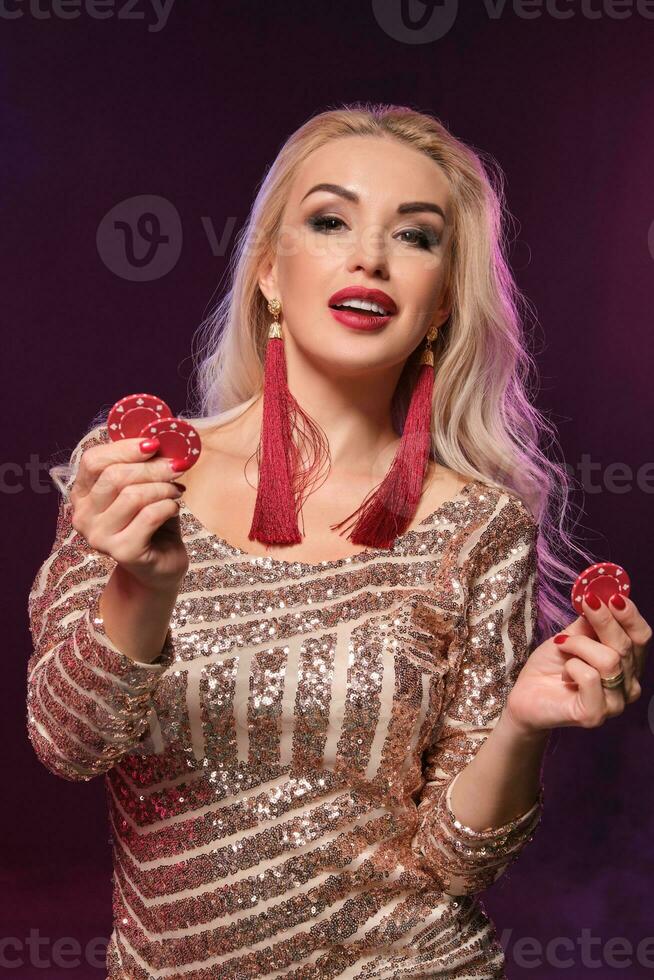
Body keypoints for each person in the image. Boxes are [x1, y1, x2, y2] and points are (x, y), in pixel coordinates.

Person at [27, 103, 650, 979]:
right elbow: (67, 743)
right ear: (268, 273)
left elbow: (459, 862)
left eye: (417, 237)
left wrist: (520, 722)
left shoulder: (480, 525)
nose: (370, 257)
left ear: (439, 304)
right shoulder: (131, 478)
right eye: (330, 220)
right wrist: (144, 586)